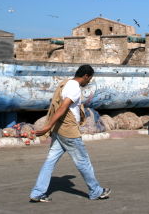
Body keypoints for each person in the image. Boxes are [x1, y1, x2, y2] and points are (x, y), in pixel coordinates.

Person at [29, 64, 111, 202]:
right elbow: (62, 107)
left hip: (59, 130)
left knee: (50, 161)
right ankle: (95, 191)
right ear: (86, 76)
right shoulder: (74, 88)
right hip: (68, 131)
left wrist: (52, 126)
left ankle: (37, 192)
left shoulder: (66, 83)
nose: (89, 82)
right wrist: (48, 126)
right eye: (89, 79)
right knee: (83, 161)